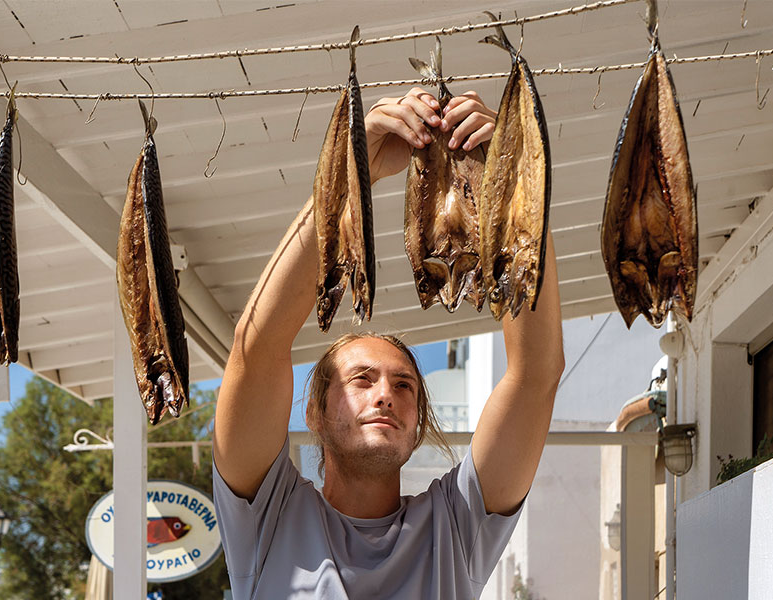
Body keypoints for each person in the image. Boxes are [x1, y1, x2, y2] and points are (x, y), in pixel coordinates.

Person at [213, 87, 565, 599]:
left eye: (404, 385)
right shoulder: (267, 517)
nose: (385, 395)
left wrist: (513, 183)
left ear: (419, 422)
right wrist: (352, 174)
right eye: (361, 379)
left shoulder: (455, 526)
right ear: (314, 412)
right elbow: (257, 346)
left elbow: (536, 375)